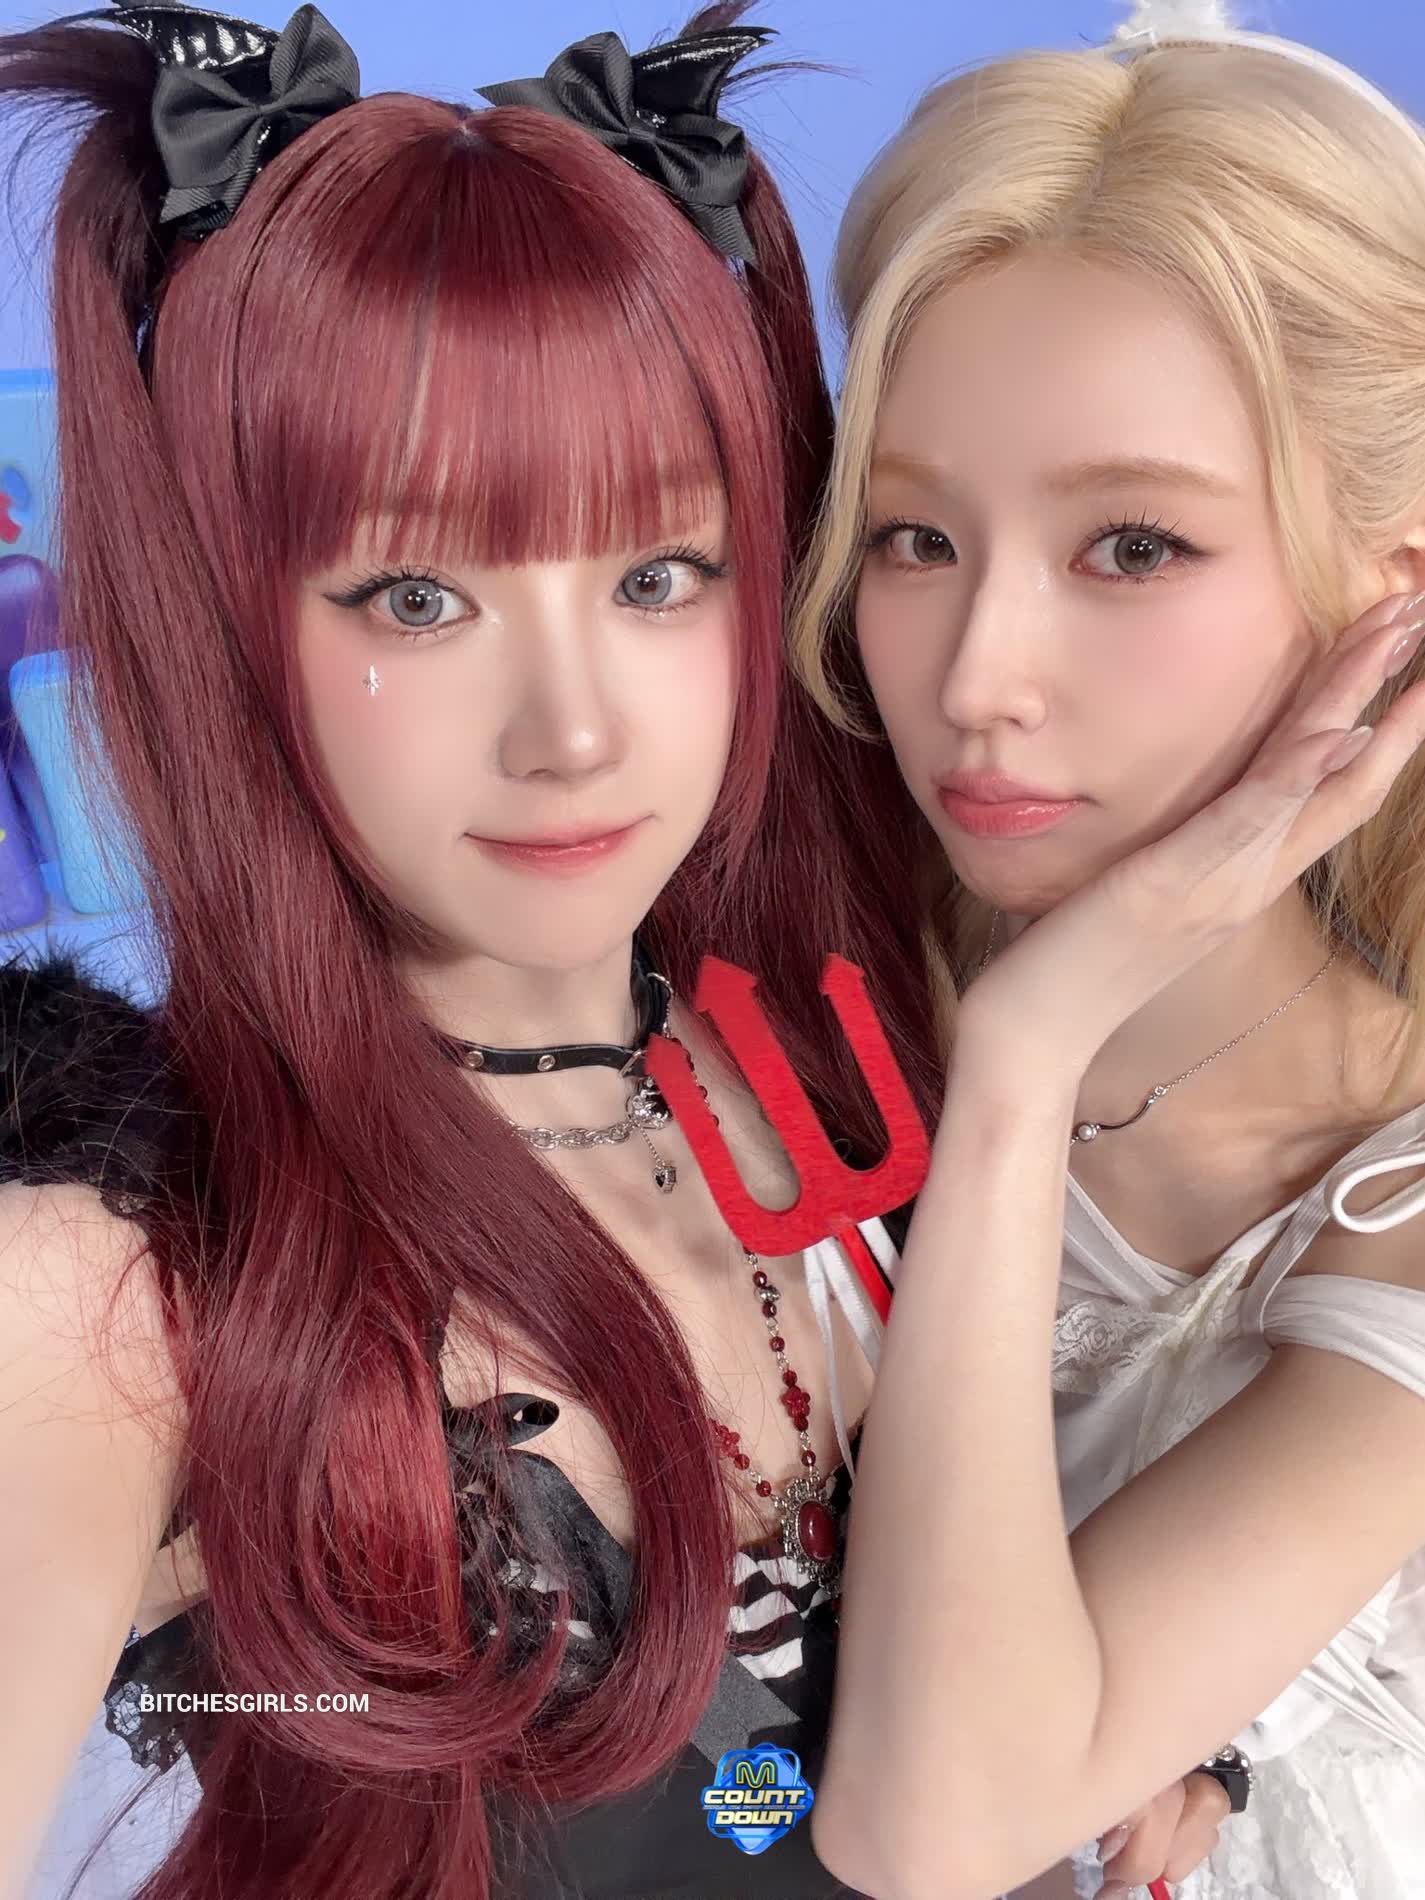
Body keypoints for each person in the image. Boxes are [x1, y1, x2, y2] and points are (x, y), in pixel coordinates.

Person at [0, 5, 950, 1895]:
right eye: (417, 596)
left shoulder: (866, 1065)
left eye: (657, 576)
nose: (574, 732)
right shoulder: (122, 1267)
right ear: (225, 618)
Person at [788, 2, 1425, 1896]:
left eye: (1130, 546)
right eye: (910, 539)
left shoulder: (1387, 1195)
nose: (976, 679)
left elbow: (933, 1828)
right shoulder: (761, 1002)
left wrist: (1021, 1055)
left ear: (1388, 602)